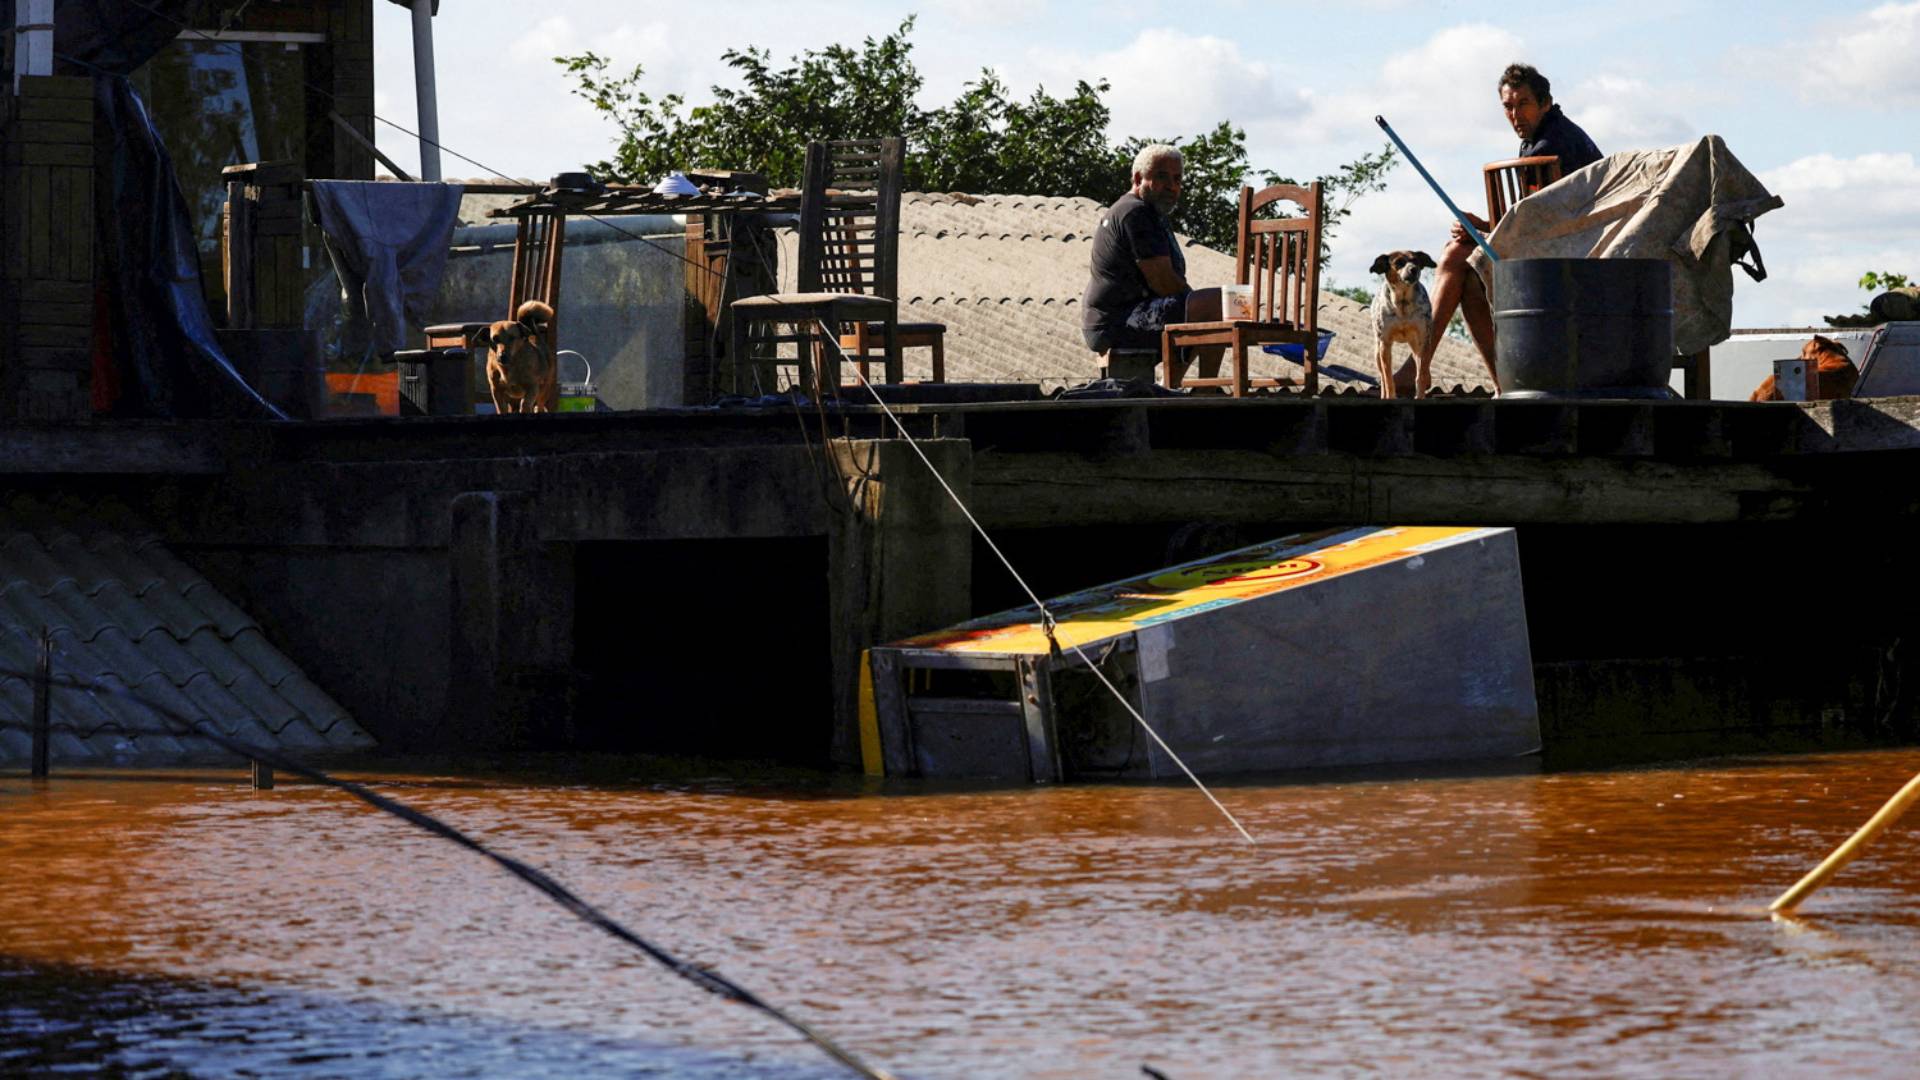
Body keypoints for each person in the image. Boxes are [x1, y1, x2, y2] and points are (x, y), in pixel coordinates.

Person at [1418, 63, 1601, 394]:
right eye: (1508, 106)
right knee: (1469, 281)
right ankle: (1505, 385)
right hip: (1553, 250)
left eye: (1523, 104)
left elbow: (1536, 228)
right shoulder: (1541, 136)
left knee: (1455, 257)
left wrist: (1483, 229)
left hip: (1573, 263)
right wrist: (1482, 226)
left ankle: (1417, 370)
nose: (1515, 114)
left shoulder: (1550, 145)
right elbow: (1531, 222)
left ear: (1545, 103)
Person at [1081, 144, 1223, 384]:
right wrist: (1201, 306)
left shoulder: (1148, 213)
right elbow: (1163, 281)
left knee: (1208, 307)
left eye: (1177, 179)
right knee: (1214, 304)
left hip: (1121, 317)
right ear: (1138, 178)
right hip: (1118, 322)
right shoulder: (1135, 213)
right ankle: (1199, 389)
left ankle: (1176, 386)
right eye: (1162, 177)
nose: (1171, 186)